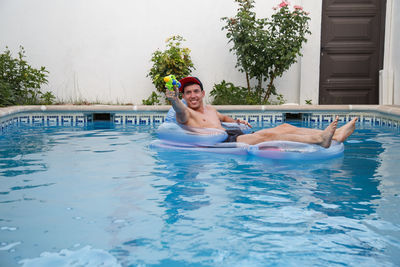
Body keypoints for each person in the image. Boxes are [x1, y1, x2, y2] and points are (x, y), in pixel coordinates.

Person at [165, 76, 357, 148]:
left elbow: (225, 118)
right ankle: (319, 140)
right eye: (188, 93)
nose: (192, 96)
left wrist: (238, 121)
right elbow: (179, 110)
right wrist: (174, 99)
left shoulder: (211, 109)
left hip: (235, 134)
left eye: (196, 91)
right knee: (270, 134)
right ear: (184, 96)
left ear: (202, 93)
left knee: (284, 126)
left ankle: (337, 135)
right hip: (225, 143)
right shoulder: (187, 114)